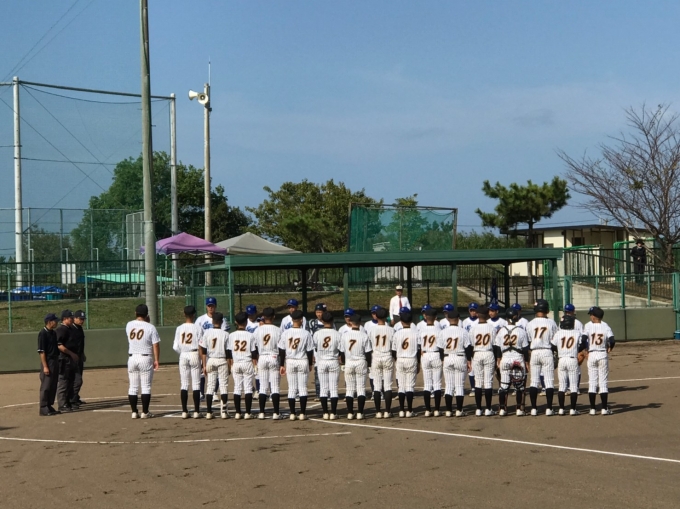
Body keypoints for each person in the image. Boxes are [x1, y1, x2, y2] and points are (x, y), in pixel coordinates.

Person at [126, 304, 161, 419]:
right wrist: (157, 360)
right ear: (147, 315)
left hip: (132, 357)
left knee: (133, 387)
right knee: (146, 386)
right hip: (145, 357)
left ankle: (134, 412)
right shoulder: (150, 327)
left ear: (136, 313)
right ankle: (145, 412)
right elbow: (155, 345)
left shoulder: (129, 325)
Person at [279, 310, 315, 420]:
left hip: (290, 361)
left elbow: (281, 350)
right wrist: (310, 363)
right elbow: (309, 351)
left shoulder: (285, 333)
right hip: (302, 360)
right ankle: (303, 413)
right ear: (301, 320)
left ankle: (292, 414)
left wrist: (281, 364)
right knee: (303, 388)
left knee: (292, 388)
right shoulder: (306, 333)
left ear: (292, 320)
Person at [494, 309, 530, 416]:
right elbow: (525, 349)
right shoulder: (521, 331)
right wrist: (527, 362)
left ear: (506, 318)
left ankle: (502, 409)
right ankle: (519, 409)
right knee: (519, 387)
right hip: (517, 359)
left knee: (503, 386)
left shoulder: (501, 331)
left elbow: (497, 348)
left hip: (505, 359)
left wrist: (498, 360)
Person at [526, 299, 558, 416]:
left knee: (534, 381)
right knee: (549, 381)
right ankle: (549, 408)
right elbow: (555, 341)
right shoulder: (551, 323)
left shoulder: (530, 323)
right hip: (547, 351)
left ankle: (534, 409)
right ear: (547, 310)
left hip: (534, 352)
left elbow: (529, 340)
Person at [551, 314, 587, 416]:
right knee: (573, 386)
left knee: (562, 386)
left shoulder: (558, 333)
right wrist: (576, 349)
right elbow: (583, 345)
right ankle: (572, 409)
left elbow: (552, 346)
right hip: (572, 359)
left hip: (562, 359)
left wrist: (559, 350)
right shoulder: (577, 333)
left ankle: (561, 409)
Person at [173, 305, 204, 419]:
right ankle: (196, 411)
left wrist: (182, 353)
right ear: (194, 315)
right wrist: (202, 359)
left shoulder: (179, 328)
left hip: (183, 354)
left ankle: (184, 411)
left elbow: (175, 347)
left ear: (184, 314)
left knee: (184, 384)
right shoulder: (198, 328)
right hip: (194, 353)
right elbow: (201, 345)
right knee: (196, 383)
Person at [439, 310, 472, 417]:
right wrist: (469, 360)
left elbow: (440, 349)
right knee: (459, 386)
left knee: (449, 386)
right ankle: (459, 410)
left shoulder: (443, 332)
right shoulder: (463, 331)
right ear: (458, 319)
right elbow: (468, 348)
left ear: (448, 319)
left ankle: (448, 410)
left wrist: (442, 359)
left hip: (447, 357)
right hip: (460, 358)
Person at [195, 297, 229, 399]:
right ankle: (201, 392)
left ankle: (214, 392)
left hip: (217, 350)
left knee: (217, 373)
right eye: (209, 306)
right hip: (204, 348)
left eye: (212, 306)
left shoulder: (222, 320)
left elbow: (225, 335)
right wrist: (200, 351)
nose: (210, 308)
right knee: (202, 372)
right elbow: (198, 336)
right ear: (206, 306)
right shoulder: (200, 320)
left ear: (215, 306)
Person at [584, 306, 615, 415]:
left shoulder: (587, 326)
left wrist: (585, 350)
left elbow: (583, 339)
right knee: (603, 383)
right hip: (602, 354)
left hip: (592, 354)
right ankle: (604, 409)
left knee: (592, 382)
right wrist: (610, 347)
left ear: (594, 316)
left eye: (591, 315)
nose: (590, 316)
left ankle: (592, 409)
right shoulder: (605, 326)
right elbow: (612, 340)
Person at [341, 314, 373, 420]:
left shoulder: (345, 335)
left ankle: (350, 413)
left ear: (350, 322)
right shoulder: (364, 335)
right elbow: (368, 353)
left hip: (349, 362)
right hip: (361, 362)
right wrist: (369, 364)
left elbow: (342, 352)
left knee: (349, 389)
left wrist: (343, 363)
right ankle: (360, 412)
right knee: (361, 388)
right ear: (360, 323)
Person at [228, 312, 259, 420]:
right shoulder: (250, 335)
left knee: (237, 388)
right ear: (246, 322)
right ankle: (247, 413)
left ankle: (237, 413)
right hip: (247, 363)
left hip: (236, 363)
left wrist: (230, 364)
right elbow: (254, 353)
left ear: (236, 322)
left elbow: (229, 353)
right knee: (248, 388)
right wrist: (255, 365)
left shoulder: (231, 335)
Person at [199, 312, 231, 419]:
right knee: (223, 386)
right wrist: (229, 365)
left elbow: (203, 351)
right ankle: (224, 412)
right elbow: (228, 352)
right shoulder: (226, 334)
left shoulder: (207, 333)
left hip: (211, 360)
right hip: (222, 360)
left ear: (212, 321)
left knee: (210, 386)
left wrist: (204, 365)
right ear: (221, 322)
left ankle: (209, 412)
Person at [313, 311, 344, 420]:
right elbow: (341, 350)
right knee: (333, 388)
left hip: (321, 361)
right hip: (333, 361)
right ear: (333, 320)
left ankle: (325, 413)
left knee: (323, 388)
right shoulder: (337, 334)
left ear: (322, 320)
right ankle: (333, 413)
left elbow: (315, 348)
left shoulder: (317, 333)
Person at [253, 307, 283, 419]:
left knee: (263, 387)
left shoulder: (257, 330)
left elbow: (254, 347)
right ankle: (276, 413)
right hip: (274, 356)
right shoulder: (278, 330)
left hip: (262, 357)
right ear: (273, 317)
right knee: (275, 387)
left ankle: (261, 412)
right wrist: (282, 363)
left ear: (263, 317)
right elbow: (281, 348)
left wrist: (255, 359)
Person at [469, 306, 498, 416]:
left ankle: (478, 409)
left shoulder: (473, 329)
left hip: (477, 353)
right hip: (488, 353)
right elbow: (495, 345)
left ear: (477, 315)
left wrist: (472, 357)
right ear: (487, 315)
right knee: (488, 382)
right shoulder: (492, 328)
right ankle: (488, 409)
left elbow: (471, 345)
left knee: (478, 382)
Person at [367, 308, 395, 418]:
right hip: (387, 356)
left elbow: (369, 346)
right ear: (386, 317)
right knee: (388, 385)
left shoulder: (371, 330)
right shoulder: (391, 330)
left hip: (376, 357)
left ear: (376, 316)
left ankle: (378, 412)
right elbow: (393, 347)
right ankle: (387, 411)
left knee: (377, 386)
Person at [392, 310, 420, 417]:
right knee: (410, 386)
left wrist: (396, 359)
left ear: (401, 321)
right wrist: (418, 363)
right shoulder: (416, 333)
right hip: (411, 359)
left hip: (400, 359)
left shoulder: (397, 333)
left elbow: (393, 350)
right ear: (411, 321)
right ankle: (409, 410)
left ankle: (401, 410)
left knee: (401, 386)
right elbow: (418, 350)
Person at [420, 308, 444, 417]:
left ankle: (427, 410)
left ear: (426, 317)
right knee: (437, 384)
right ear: (435, 318)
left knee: (427, 384)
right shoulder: (439, 331)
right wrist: (443, 359)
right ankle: (437, 410)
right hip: (436, 354)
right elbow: (442, 347)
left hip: (425, 355)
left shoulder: (421, 330)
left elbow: (419, 346)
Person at [38, 313, 60, 416]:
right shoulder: (43, 333)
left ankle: (49, 405)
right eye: (55, 321)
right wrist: (45, 366)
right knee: (46, 385)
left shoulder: (53, 333)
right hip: (48, 361)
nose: (56, 323)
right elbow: (42, 352)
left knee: (53, 384)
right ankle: (43, 407)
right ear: (49, 322)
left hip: (55, 361)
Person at [56, 310, 78, 412]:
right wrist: (71, 353)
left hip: (70, 359)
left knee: (71, 381)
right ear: (64, 319)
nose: (72, 319)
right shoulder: (61, 330)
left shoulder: (70, 329)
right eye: (71, 318)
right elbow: (59, 345)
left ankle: (68, 402)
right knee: (63, 382)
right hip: (64, 359)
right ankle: (62, 404)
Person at [307, 303, 330, 399]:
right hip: (316, 351)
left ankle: (328, 393)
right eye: (317, 312)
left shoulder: (329, 322)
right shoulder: (312, 323)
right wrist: (312, 353)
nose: (319, 314)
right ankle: (318, 393)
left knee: (328, 372)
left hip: (327, 352)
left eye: (320, 312)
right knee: (317, 372)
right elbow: (310, 338)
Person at [462, 302, 479, 396]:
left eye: (474, 310)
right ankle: (473, 388)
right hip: (468, 347)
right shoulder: (465, 322)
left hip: (477, 347)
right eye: (471, 310)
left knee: (479, 368)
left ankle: (479, 387)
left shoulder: (480, 320)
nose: (473, 312)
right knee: (471, 368)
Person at [69, 310, 86, 406]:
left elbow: (80, 344)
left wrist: (82, 354)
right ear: (74, 318)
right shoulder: (71, 329)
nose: (82, 321)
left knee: (78, 379)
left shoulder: (79, 328)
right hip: (72, 358)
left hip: (79, 357)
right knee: (76, 380)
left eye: (83, 319)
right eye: (80, 319)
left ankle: (75, 397)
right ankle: (72, 399)